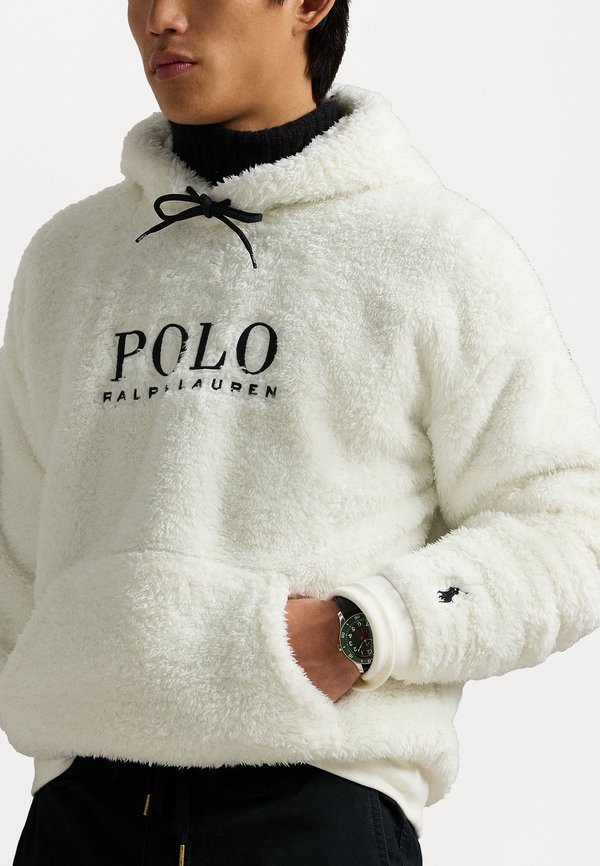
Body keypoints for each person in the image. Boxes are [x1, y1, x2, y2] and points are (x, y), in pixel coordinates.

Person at [2, 0, 600, 864]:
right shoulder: (70, 257)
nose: (161, 17)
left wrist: (366, 628)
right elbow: (14, 541)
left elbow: (571, 526)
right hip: (79, 814)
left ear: (310, 5)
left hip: (313, 806)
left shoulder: (434, 250)